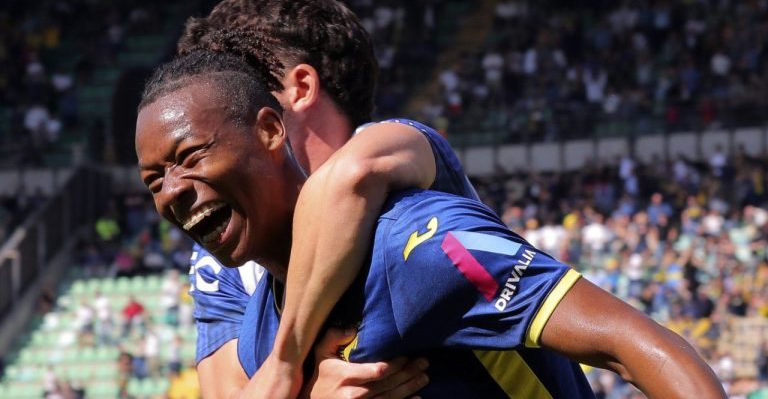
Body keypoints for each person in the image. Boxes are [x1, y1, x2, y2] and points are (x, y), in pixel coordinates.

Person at [135, 49, 726, 398]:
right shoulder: (261, 328)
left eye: (190, 158)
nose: (174, 193)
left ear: (269, 130)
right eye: (154, 181)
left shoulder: (413, 244)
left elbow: (635, 345)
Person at [177, 0, 478, 398]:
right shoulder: (223, 259)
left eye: (226, 101)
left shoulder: (395, 154)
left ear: (299, 88)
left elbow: (349, 180)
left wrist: (286, 366)